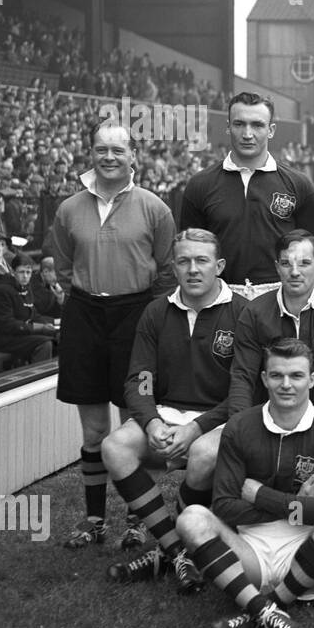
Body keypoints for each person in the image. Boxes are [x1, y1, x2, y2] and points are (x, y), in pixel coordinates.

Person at [176, 338, 314, 628]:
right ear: (264, 378)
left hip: (306, 550)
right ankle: (266, 610)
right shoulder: (239, 426)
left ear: (312, 379)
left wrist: (261, 495)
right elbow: (224, 506)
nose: (286, 385)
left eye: (296, 376)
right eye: (276, 375)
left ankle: (258, 609)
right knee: (192, 517)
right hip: (248, 553)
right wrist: (299, 501)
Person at [50, 121, 176, 549]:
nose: (108, 157)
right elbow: (64, 268)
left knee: (132, 426)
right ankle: (93, 520)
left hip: (135, 314)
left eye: (117, 151)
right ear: (91, 152)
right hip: (85, 313)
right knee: (93, 430)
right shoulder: (69, 208)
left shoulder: (154, 207)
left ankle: (136, 519)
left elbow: (165, 270)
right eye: (101, 149)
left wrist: (145, 314)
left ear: (133, 157)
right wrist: (90, 294)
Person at [99, 229, 247, 591]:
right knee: (114, 446)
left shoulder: (243, 312)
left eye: (202, 261)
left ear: (219, 266)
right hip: (166, 413)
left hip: (218, 419)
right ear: (174, 267)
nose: (193, 269)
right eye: (183, 261)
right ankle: (176, 549)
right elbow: (141, 378)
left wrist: (197, 427)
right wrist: (150, 422)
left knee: (203, 454)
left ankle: (167, 555)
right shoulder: (157, 312)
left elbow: (243, 393)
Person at [179, 92, 314, 299]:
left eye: (257, 125)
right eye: (239, 124)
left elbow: (312, 250)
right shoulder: (200, 185)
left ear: (271, 130)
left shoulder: (299, 184)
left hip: (281, 296)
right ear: (228, 126)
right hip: (220, 296)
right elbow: (189, 250)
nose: (247, 134)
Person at [226, 230, 314, 425]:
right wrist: (238, 429)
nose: (295, 272)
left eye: (305, 263)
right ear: (277, 267)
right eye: (286, 263)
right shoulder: (255, 311)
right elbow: (242, 378)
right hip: (269, 420)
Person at [0, 252, 58, 364]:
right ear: (13, 272)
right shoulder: (1, 291)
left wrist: (53, 324)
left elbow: (33, 314)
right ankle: (36, 377)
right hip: (1, 337)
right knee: (44, 344)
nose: (25, 276)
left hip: (19, 333)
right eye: (21, 272)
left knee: (59, 337)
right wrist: (40, 328)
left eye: (28, 272)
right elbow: (7, 324)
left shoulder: (25, 287)